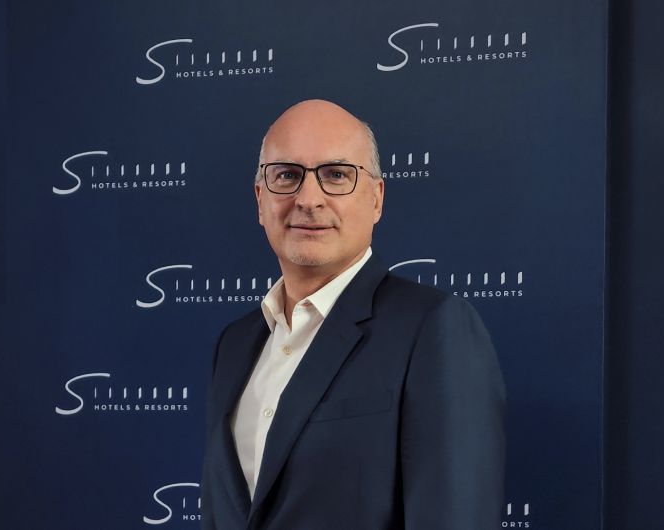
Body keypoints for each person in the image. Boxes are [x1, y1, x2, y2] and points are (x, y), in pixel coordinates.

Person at [201, 99, 505, 529]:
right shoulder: (234, 344)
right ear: (260, 200)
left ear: (376, 198)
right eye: (286, 175)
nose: (308, 199)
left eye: (336, 175)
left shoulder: (433, 329)